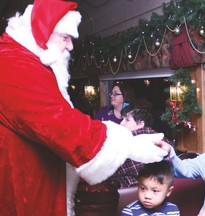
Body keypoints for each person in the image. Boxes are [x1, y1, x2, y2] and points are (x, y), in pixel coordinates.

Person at [0, 1, 168, 216]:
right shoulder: (14, 64)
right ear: (43, 33)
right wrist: (129, 145)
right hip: (23, 192)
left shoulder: (23, 60)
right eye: (65, 37)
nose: (70, 46)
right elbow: (61, 125)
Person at [74, 105, 166, 216]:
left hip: (126, 191)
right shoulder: (162, 140)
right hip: (154, 192)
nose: (121, 123)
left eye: (127, 120)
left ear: (141, 124)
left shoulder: (124, 141)